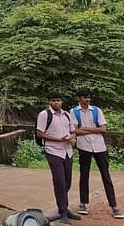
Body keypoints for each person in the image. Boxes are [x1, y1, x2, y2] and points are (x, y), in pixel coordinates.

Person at [71, 89, 123, 219]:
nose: (87, 100)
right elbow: (75, 130)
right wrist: (94, 130)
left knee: (106, 175)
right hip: (84, 147)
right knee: (84, 175)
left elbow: (103, 129)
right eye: (84, 97)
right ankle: (83, 203)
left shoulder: (97, 110)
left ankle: (114, 206)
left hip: (100, 146)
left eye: (89, 97)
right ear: (79, 98)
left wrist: (84, 128)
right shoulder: (74, 112)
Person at [36, 91, 81, 224]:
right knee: (59, 181)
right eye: (53, 100)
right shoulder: (44, 115)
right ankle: (62, 212)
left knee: (67, 182)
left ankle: (65, 208)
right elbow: (39, 133)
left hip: (67, 151)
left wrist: (72, 138)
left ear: (62, 101)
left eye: (58, 100)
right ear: (49, 102)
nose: (56, 103)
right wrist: (57, 139)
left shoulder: (66, 114)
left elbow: (73, 131)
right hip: (53, 151)